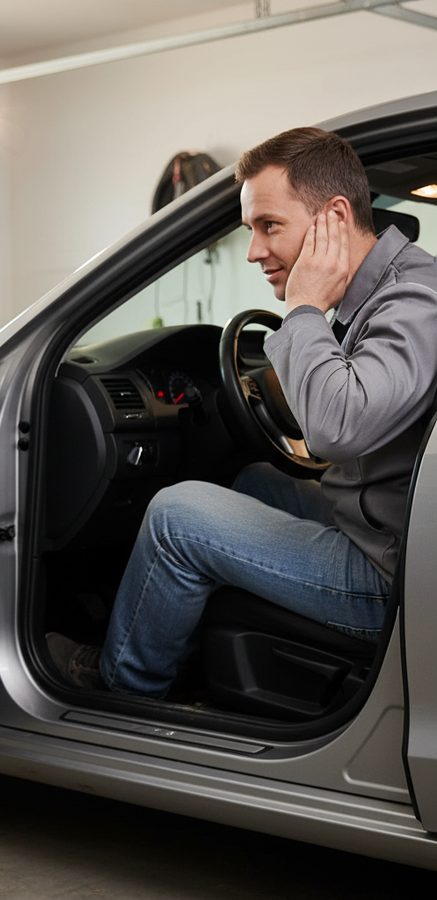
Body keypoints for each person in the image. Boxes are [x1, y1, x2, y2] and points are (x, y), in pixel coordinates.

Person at [49, 126, 437, 697]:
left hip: (393, 578)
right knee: (255, 478)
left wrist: (304, 305)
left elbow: (335, 427)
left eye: (269, 225)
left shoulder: (411, 300)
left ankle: (124, 685)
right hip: (391, 533)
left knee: (177, 515)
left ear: (333, 216)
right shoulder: (387, 291)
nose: (253, 249)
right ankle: (174, 640)